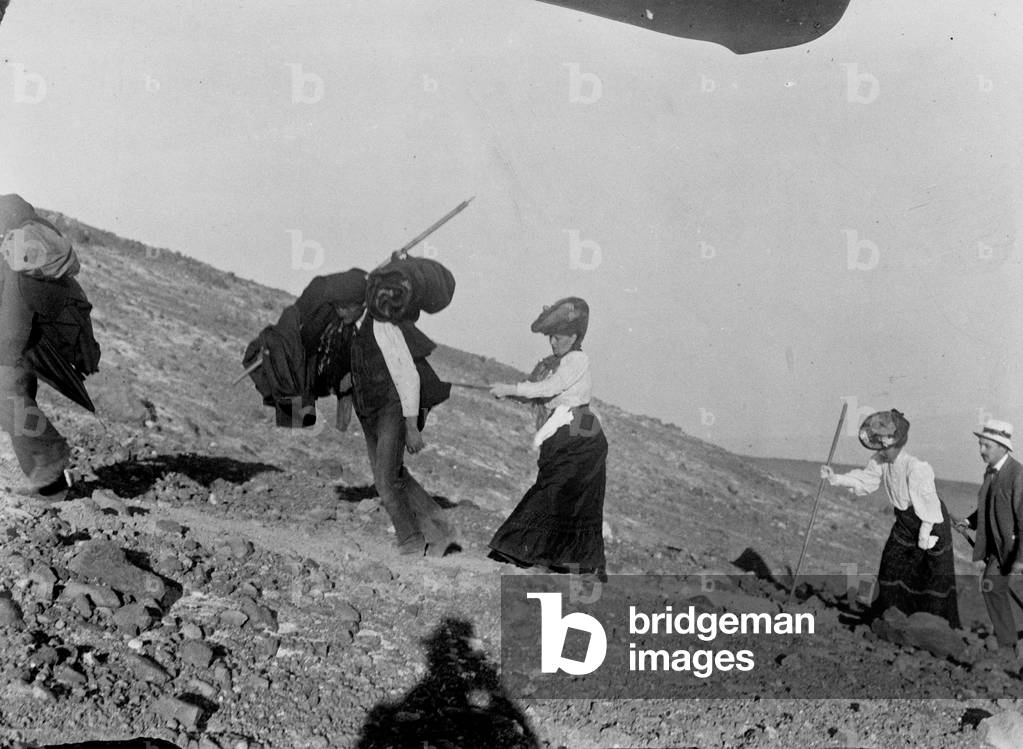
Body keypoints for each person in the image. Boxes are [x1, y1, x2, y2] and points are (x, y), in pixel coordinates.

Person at [488, 297, 608, 581]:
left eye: (559, 337)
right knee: (563, 497)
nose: (554, 343)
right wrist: (512, 392)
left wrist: (511, 387)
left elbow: (552, 387)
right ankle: (552, 557)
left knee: (557, 493)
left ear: (575, 337)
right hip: (567, 434)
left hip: (581, 437)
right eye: (551, 338)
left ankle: (524, 551)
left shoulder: (577, 359)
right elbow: (542, 393)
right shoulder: (557, 362)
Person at [821, 409, 959, 627]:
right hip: (905, 521)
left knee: (932, 576)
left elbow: (929, 507)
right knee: (891, 565)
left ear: (894, 440)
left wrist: (924, 536)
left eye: (882, 438)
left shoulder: (915, 467)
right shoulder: (880, 461)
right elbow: (866, 480)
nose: (877, 441)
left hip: (931, 524)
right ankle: (890, 617)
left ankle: (934, 627)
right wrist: (835, 478)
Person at [349, 300, 456, 557]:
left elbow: (408, 375)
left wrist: (411, 425)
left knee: (386, 480)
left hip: (392, 407)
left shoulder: (383, 326)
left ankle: (411, 540)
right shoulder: (349, 330)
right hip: (368, 411)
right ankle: (443, 531)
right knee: (392, 474)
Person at [0, 194, 82, 499]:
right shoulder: (25, 246)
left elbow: (15, 309)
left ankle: (51, 454)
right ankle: (52, 488)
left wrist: (7, 350)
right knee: (15, 405)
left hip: (14, 343)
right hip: (30, 345)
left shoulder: (18, 250)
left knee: (9, 400)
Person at [958, 419, 1023, 656]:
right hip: (1000, 549)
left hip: (1017, 548)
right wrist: (969, 522)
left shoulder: (1017, 475)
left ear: (1003, 447)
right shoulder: (991, 472)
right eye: (980, 444)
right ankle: (1008, 642)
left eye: (987, 446)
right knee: (990, 586)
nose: (981, 451)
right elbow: (988, 506)